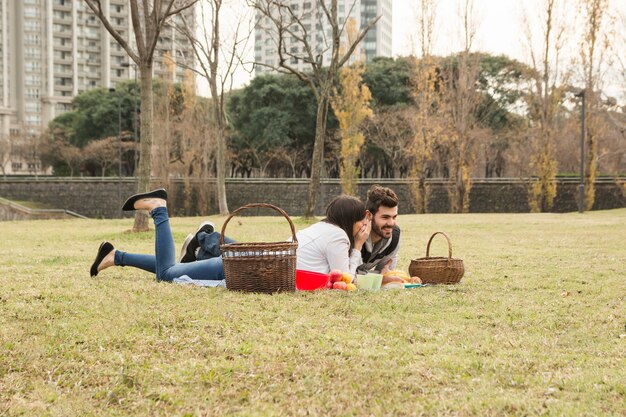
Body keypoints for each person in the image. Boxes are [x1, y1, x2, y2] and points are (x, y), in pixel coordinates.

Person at [89, 189, 225, 283]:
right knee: (166, 274)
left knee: (172, 268)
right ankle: (158, 208)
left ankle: (115, 256)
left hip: (236, 261)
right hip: (233, 266)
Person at [295, 195, 371, 276]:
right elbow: (345, 279)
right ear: (351, 221)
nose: (364, 226)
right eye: (362, 221)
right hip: (300, 282)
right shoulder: (337, 236)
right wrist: (358, 246)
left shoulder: (321, 227)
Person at [357, 185, 401, 274]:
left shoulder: (394, 236)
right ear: (369, 215)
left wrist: (382, 275)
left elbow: (384, 274)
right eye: (385, 217)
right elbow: (345, 274)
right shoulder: (353, 233)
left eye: (394, 217)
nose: (391, 223)